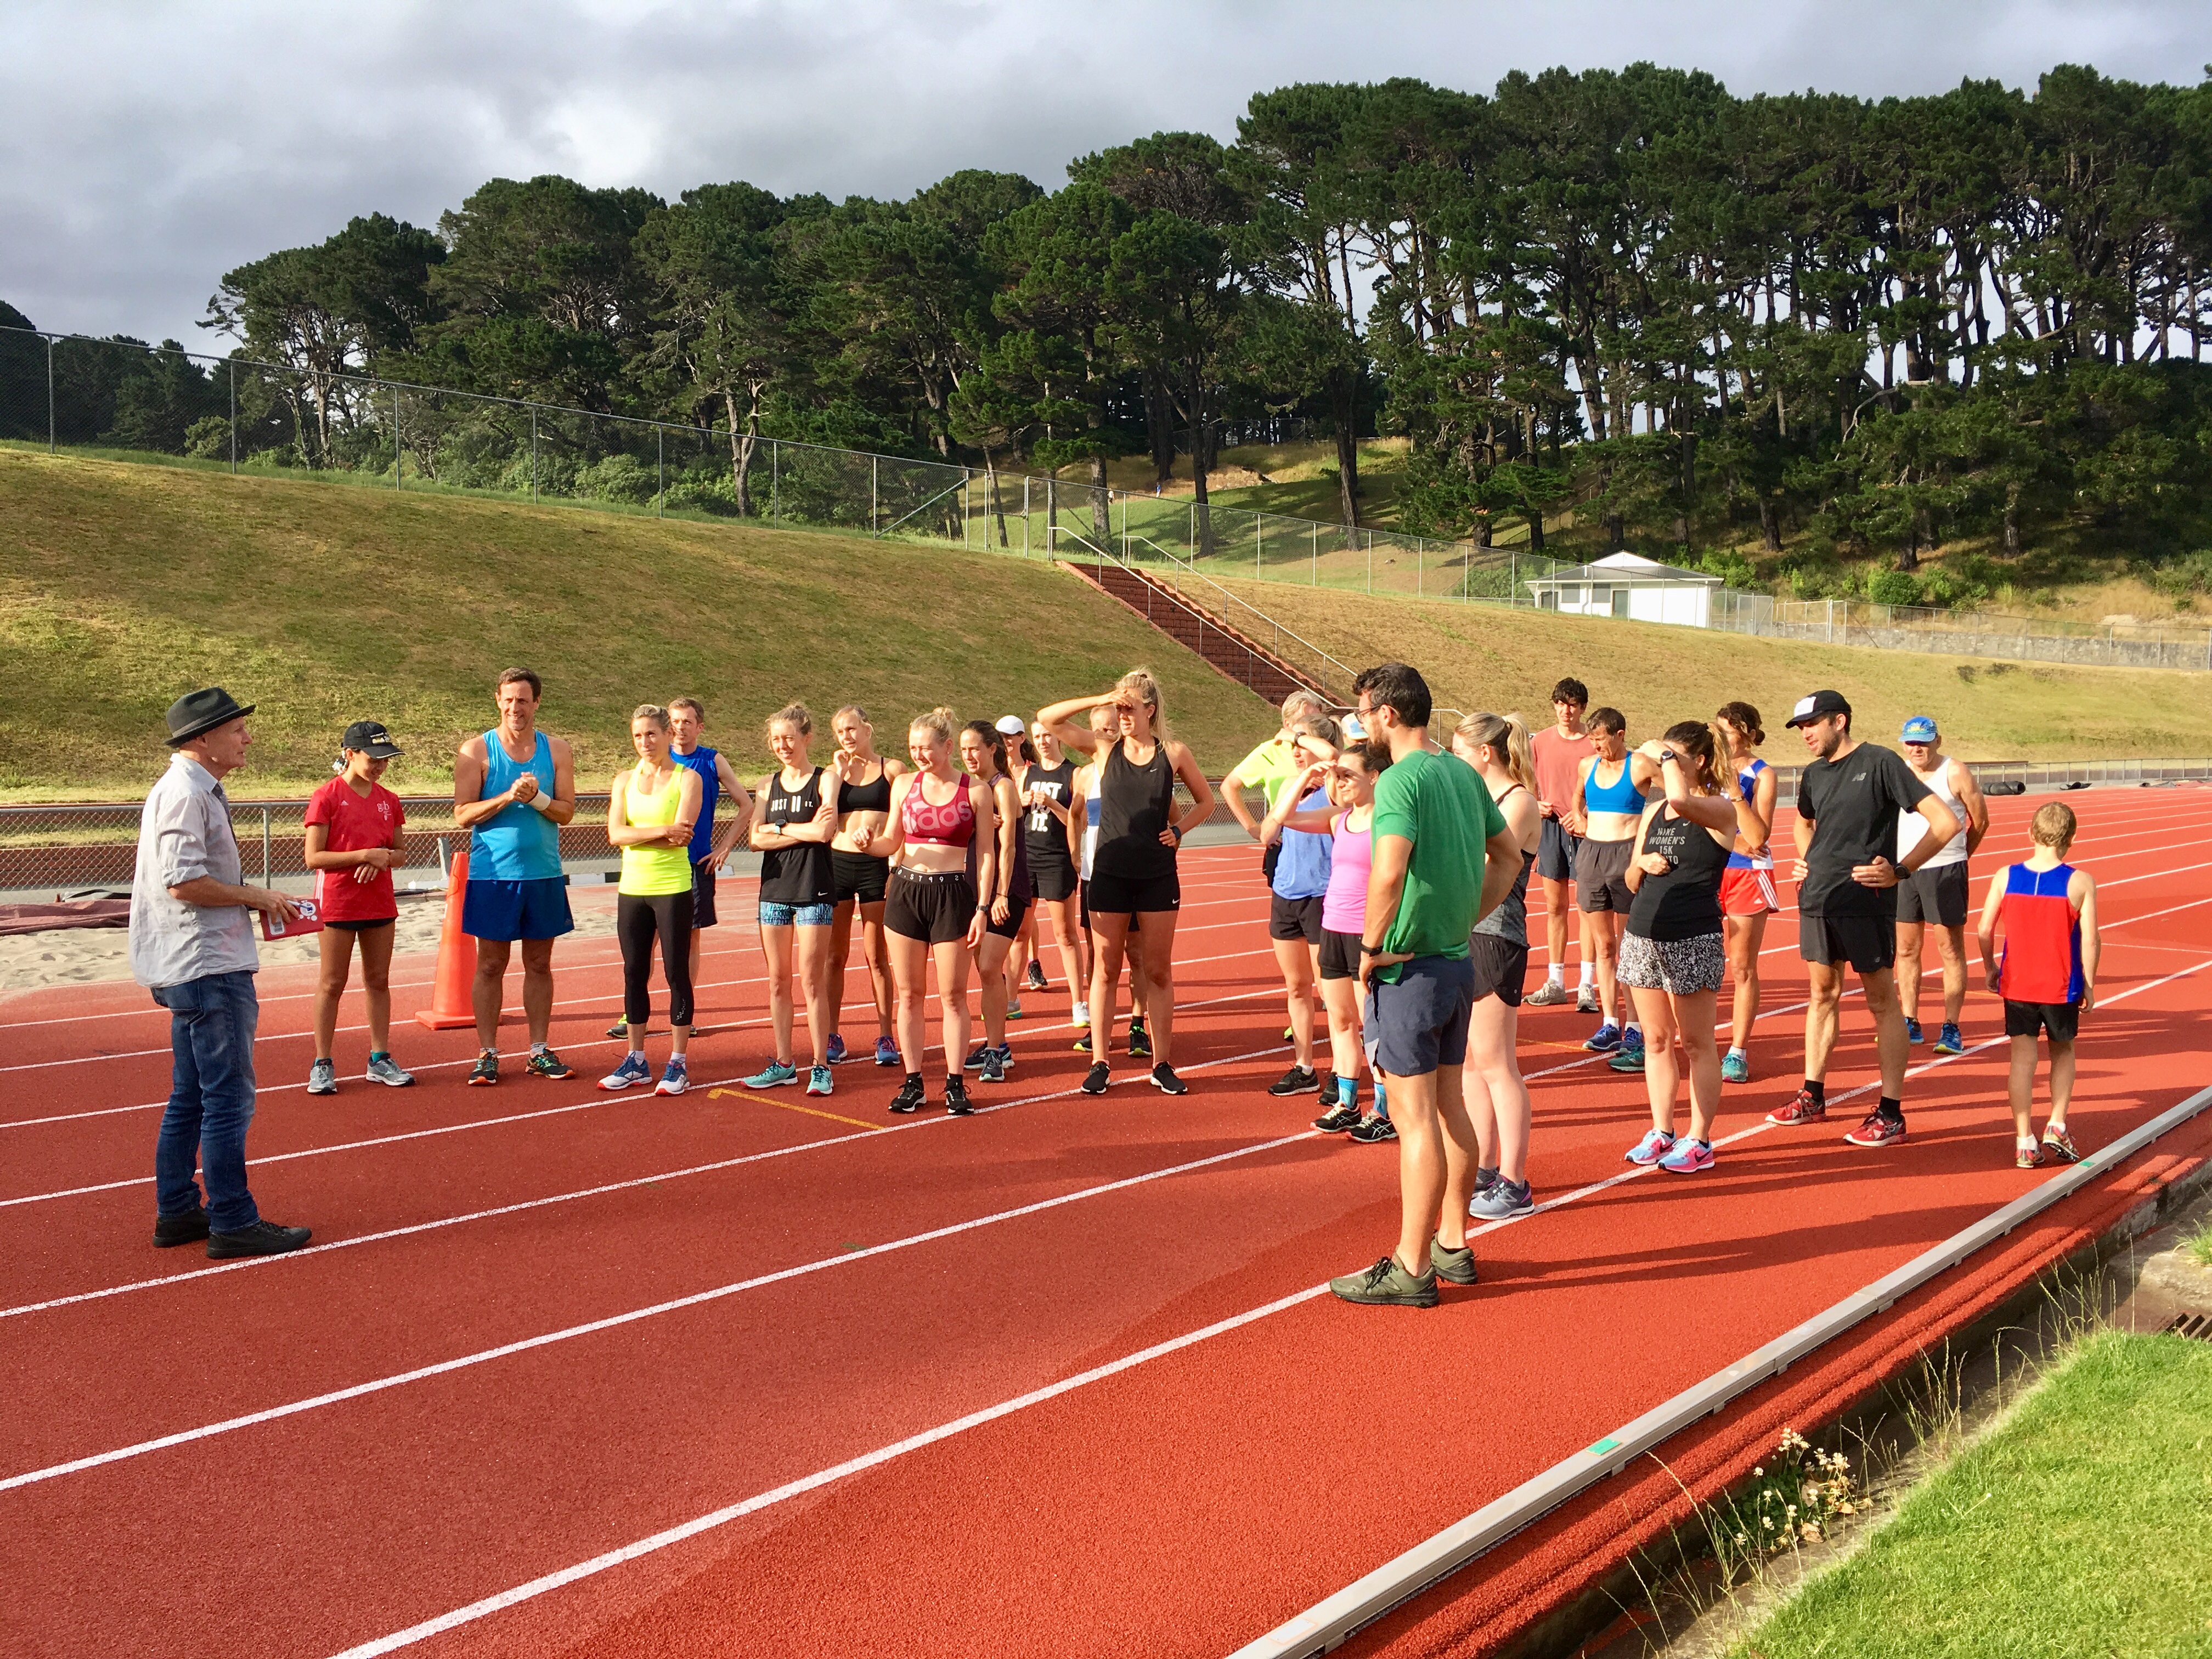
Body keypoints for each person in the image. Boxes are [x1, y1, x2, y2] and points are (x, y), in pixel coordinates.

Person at [1329, 663, 1520, 1309]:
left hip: (1409, 970)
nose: (1358, 725)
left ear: (1387, 714)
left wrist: (1371, 948)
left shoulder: (1401, 781)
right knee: (1450, 1107)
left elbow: (1388, 872)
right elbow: (1510, 857)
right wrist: (1462, 917)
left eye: (1361, 714)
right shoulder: (1464, 775)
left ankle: (1411, 1268)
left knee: (1415, 1124)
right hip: (1455, 962)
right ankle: (1453, 1244)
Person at [131, 687, 311, 1259]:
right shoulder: (186, 793)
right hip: (208, 966)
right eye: (237, 730)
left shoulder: (189, 789)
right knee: (228, 1096)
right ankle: (232, 1217)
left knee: (192, 1094)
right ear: (202, 739)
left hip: (192, 962)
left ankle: (180, 1209)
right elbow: (184, 882)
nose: (247, 739)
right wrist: (255, 896)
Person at [1768, 689, 1962, 1147]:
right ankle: (1812, 1095)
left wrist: (1900, 871)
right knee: (1822, 994)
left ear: (1840, 721)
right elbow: (1803, 823)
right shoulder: (1813, 774)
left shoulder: (1881, 762)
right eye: (1800, 728)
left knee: (1881, 1002)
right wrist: (1807, 858)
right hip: (1817, 898)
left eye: (1812, 725)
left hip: (1865, 900)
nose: (1805, 735)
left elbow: (1946, 822)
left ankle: (1891, 1112)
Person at [1041, 670, 1217, 1096]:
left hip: (1157, 876)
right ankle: (1100, 1061)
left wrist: (1179, 832)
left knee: (1157, 971)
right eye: (1117, 708)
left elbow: (1206, 801)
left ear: (1149, 710)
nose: (1121, 715)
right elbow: (1049, 720)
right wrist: (1100, 696)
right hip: (1110, 875)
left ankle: (1161, 1063)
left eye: (1128, 708)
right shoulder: (1103, 750)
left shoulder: (1172, 752)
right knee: (1106, 969)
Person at [1617, 724, 1764, 1173]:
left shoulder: (1719, 809)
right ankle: (1663, 1130)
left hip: (1691, 936)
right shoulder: (1656, 810)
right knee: (1657, 1040)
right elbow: (1629, 879)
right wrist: (1640, 863)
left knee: (1698, 1043)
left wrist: (1660, 759)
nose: (1667, 764)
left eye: (1675, 757)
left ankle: (1700, 1138)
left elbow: (1683, 799)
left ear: (1698, 762)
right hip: (1644, 932)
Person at [866, 708, 995, 1115]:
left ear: (948, 746)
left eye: (927, 748)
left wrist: (983, 908)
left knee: (954, 996)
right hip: (906, 893)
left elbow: (988, 853)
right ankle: (913, 1081)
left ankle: (955, 1084)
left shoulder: (975, 790)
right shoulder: (904, 784)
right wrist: (868, 842)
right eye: (913, 748)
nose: (920, 754)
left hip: (952, 894)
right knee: (909, 995)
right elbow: (891, 841)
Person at [603, 696, 752, 1040]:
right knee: (643, 948)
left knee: (685, 944)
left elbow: (744, 805)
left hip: (692, 864)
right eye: (677, 722)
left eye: (687, 722)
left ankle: (685, 1013)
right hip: (642, 877)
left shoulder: (707, 764)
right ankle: (634, 1013)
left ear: (697, 726)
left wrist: (724, 846)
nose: (681, 728)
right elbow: (618, 834)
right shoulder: (634, 775)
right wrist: (656, 834)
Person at [455, 668, 578, 1085]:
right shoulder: (476, 751)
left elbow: (566, 812)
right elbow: (462, 814)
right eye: (508, 700)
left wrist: (538, 798)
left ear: (537, 703)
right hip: (493, 877)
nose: (515, 708)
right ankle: (487, 1053)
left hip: (543, 874)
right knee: (490, 966)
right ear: (497, 701)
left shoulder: (557, 751)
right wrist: (509, 796)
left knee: (539, 964)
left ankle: (539, 1050)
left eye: (523, 700)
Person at [1268, 739, 1393, 1141]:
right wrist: (1308, 775)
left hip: (1366, 931)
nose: (1338, 783)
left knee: (1372, 1026)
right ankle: (1347, 1103)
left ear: (1374, 777)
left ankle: (1384, 1109)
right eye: (1336, 776)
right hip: (1332, 928)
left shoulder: (1387, 822)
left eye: (1347, 776)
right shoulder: (1339, 819)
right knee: (1341, 1021)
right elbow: (1281, 818)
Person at [1453, 712, 1543, 1218]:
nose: (1456, 760)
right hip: (1468, 931)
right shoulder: (1485, 799)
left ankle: (1516, 1180)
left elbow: (1484, 865)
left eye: (1461, 752)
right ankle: (1486, 1167)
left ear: (1485, 753)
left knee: (1497, 1064)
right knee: (1469, 1061)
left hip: (1497, 937)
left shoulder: (1519, 802)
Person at [1977, 802, 2099, 1169]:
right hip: (2061, 985)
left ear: (2030, 834)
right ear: (2072, 839)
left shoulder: (2005, 875)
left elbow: (1984, 930)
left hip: (2017, 984)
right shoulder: (2080, 882)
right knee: (2062, 1052)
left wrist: (1990, 968)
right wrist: (2089, 984)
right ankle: (2057, 1124)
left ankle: (2023, 1140)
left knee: (2022, 1060)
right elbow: (2090, 939)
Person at [303, 720, 413, 1094]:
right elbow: (313, 856)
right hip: (338, 904)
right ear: (350, 754)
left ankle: (379, 1057)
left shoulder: (389, 800)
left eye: (386, 759)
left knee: (378, 981)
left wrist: (383, 858)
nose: (381, 765)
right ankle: (322, 1062)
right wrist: (364, 855)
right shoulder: (327, 797)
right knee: (332, 982)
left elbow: (399, 853)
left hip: (380, 902)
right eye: (374, 758)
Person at [600, 706, 703, 1094]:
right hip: (633, 888)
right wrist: (660, 829)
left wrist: (637, 832)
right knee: (633, 972)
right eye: (638, 736)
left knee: (676, 973)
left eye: (652, 735)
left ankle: (678, 1062)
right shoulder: (624, 780)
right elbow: (614, 834)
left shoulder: (687, 778)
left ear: (667, 736)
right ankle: (636, 1059)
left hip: (672, 886)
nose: (645, 742)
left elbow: (684, 835)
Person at [1046, 699, 1150, 1060]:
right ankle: (1100, 1025)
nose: (1106, 733)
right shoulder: (1084, 774)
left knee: (1135, 953)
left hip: (1132, 873)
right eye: (1100, 728)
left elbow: (1169, 813)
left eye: (1111, 726)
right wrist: (1076, 854)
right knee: (1098, 957)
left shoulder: (1137, 766)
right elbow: (1075, 814)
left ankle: (1138, 1022)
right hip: (1095, 875)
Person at [745, 704, 840, 1096]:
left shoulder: (827, 779)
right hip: (775, 891)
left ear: (807, 738)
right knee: (778, 981)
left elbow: (826, 833)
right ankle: (785, 1062)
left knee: (813, 982)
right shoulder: (767, 785)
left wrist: (777, 828)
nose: (782, 745)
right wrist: (799, 828)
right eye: (776, 739)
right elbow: (755, 839)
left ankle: (821, 1065)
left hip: (813, 888)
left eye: (789, 738)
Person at [1895, 714, 1989, 1057]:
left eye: (1923, 741)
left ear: (1938, 741)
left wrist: (1960, 855)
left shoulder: (1954, 771)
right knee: (1905, 950)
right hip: (1904, 870)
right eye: (1910, 742)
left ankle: (1951, 1026)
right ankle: (1909, 1020)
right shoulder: (1897, 770)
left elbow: (1980, 820)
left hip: (1945, 869)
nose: (1916, 748)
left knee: (1950, 949)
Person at [1572, 708, 1660, 1066]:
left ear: (1620, 734)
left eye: (1602, 740)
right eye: (1592, 740)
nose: (1597, 746)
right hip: (1592, 857)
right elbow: (1577, 797)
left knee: (1631, 949)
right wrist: (1578, 816)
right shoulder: (1586, 766)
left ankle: (1635, 1025)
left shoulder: (1639, 766)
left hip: (1626, 857)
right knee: (1604, 947)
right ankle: (1610, 1024)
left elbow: (1677, 790)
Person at [1262, 716, 1342, 1099]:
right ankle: (1305, 1066)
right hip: (1286, 895)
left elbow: (1334, 754)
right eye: (1293, 749)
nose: (1295, 752)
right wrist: (1298, 779)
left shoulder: (1334, 787)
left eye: (1302, 746)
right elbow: (1267, 833)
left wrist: (1308, 750)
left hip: (1322, 896)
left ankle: (1342, 1071)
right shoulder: (1291, 790)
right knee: (1297, 988)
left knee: (1330, 992)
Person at [825, 704, 904, 1067]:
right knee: (834, 957)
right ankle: (832, 1034)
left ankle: (886, 1034)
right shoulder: (833, 773)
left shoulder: (892, 770)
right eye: (841, 731)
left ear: (867, 729)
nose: (847, 736)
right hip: (837, 864)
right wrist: (838, 775)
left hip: (875, 866)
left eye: (853, 729)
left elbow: (902, 824)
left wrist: (894, 866)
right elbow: (824, 819)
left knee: (877, 956)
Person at [958, 718, 1029, 1083]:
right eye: (964, 749)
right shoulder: (967, 788)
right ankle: (993, 1044)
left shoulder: (1003, 788)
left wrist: (1002, 893)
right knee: (985, 973)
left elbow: (1011, 844)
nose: (969, 755)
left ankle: (999, 1049)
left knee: (989, 968)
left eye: (975, 748)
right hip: (973, 889)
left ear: (992, 749)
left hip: (1006, 890)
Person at [1714, 702, 1778, 1084]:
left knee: (1741, 966)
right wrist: (1726, 838)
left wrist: (1727, 835)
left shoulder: (1762, 774)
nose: (1722, 738)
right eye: (1718, 730)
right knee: (1699, 957)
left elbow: (1758, 836)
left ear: (1747, 732)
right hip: (1707, 869)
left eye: (1729, 731)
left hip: (1747, 875)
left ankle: (1737, 1050)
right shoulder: (1708, 768)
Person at [1526, 679, 1596, 1012]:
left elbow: (1604, 782)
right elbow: (1526, 778)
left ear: (1582, 708)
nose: (1565, 711)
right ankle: (1556, 981)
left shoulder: (1593, 744)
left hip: (1586, 831)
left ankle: (1587, 984)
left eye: (1572, 705)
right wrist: (1534, 801)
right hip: (1551, 827)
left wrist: (1583, 814)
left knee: (1588, 909)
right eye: (1560, 704)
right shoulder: (1539, 741)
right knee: (1555, 908)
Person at [1015, 717, 1088, 1032]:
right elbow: (1014, 815)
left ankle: (1078, 1002)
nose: (1043, 741)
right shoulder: (1027, 773)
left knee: (1065, 934)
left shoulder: (1073, 773)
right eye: (1038, 736)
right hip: (1026, 857)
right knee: (1019, 931)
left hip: (1057, 859)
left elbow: (1080, 822)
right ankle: (1010, 1001)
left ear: (1058, 737)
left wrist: (1056, 805)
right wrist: (1021, 803)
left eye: (1048, 735)